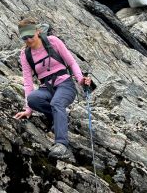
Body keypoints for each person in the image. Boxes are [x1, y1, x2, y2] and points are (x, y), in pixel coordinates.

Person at [13, 18, 91, 161]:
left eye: (30, 36)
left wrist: (81, 80)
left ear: (38, 31)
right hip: (46, 88)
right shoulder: (25, 54)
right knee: (33, 99)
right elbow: (28, 82)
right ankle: (59, 117)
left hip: (65, 85)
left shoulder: (53, 41)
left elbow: (71, 62)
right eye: (25, 38)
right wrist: (28, 110)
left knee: (57, 103)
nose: (28, 40)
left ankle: (62, 145)